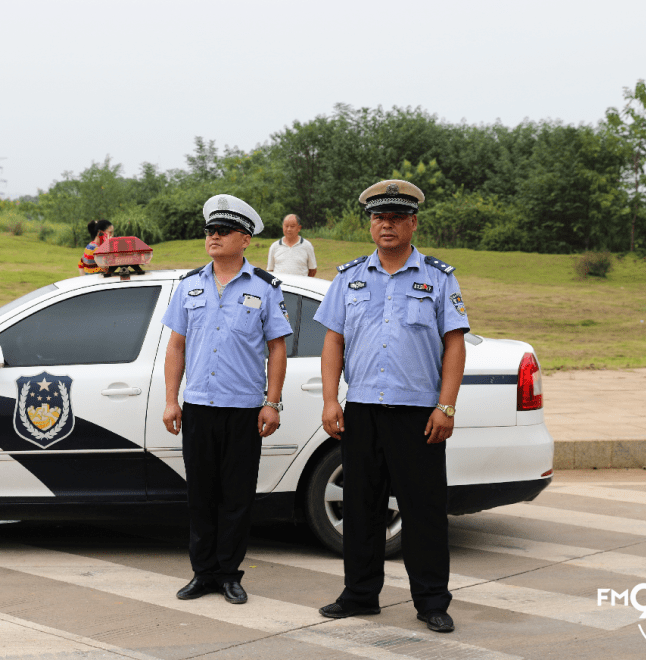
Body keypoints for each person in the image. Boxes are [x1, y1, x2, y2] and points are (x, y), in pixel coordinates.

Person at [313, 179, 468, 633]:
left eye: (397, 217)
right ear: (371, 224)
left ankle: (432, 602)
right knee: (362, 508)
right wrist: (329, 399)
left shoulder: (438, 277)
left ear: (413, 223)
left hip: (418, 414)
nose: (387, 224)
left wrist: (447, 406)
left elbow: (454, 344)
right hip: (362, 409)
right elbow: (333, 341)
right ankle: (360, 595)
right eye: (379, 217)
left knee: (423, 511)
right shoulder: (349, 277)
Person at [161, 194, 292, 605]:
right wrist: (171, 400)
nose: (214, 237)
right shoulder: (189, 286)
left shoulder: (265, 289)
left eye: (223, 231)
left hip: (243, 409)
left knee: (237, 496)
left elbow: (277, 348)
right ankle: (203, 573)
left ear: (245, 239)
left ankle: (230, 574)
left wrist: (272, 402)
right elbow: (176, 346)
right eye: (210, 231)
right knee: (201, 495)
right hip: (199, 406)